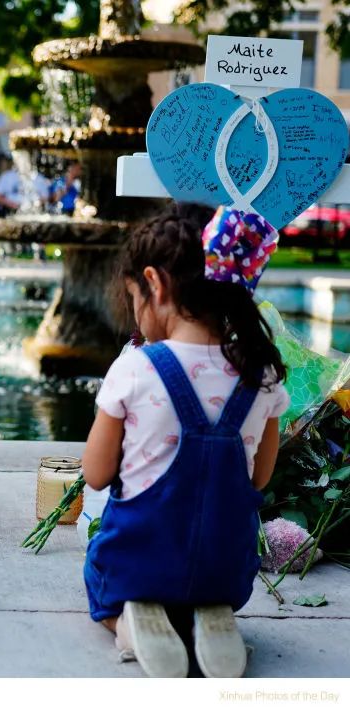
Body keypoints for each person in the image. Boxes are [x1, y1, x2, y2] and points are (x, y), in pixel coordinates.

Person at [82, 203, 289, 678]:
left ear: (154, 284)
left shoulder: (135, 367)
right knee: (212, 552)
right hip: (226, 573)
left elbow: (94, 475)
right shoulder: (264, 375)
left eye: (134, 295)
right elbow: (258, 478)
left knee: (98, 563)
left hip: (139, 565)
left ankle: (128, 622)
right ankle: (208, 615)